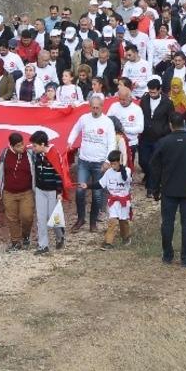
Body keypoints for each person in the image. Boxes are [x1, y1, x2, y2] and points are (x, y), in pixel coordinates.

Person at [151, 120, 186, 268]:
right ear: (184, 124)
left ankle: (168, 256)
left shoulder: (163, 142)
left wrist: (155, 189)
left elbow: (155, 167)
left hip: (169, 189)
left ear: (170, 125)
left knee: (167, 223)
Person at [67, 95, 117, 233]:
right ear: (90, 107)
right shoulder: (84, 118)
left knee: (97, 194)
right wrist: (70, 141)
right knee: (79, 191)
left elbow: (112, 142)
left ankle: (93, 221)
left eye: (97, 107)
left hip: (99, 163)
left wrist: (108, 161)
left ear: (102, 107)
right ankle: (80, 218)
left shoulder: (107, 122)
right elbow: (75, 129)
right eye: (93, 107)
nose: (95, 109)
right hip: (84, 161)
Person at [79, 150, 132, 249]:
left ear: (119, 162)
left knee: (123, 221)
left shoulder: (127, 171)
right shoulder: (108, 172)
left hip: (124, 201)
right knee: (112, 221)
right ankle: (108, 242)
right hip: (113, 201)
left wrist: (122, 167)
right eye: (111, 164)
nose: (112, 166)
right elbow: (100, 184)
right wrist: (87, 185)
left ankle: (126, 237)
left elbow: (125, 178)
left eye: (114, 164)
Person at [28, 131, 70, 256]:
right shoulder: (36, 154)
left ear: (42, 144)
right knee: (41, 218)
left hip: (52, 191)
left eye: (35, 146)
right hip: (40, 189)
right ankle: (43, 245)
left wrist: (59, 192)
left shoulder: (53, 153)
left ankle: (60, 236)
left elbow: (58, 174)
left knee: (54, 216)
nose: (33, 148)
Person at [0, 133, 34, 251]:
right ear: (11, 146)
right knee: (12, 218)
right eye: (18, 146)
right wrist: (0, 189)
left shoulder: (29, 154)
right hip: (9, 192)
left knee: (27, 216)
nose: (21, 147)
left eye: (22, 144)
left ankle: (26, 236)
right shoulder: (4, 154)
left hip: (26, 192)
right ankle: (15, 242)